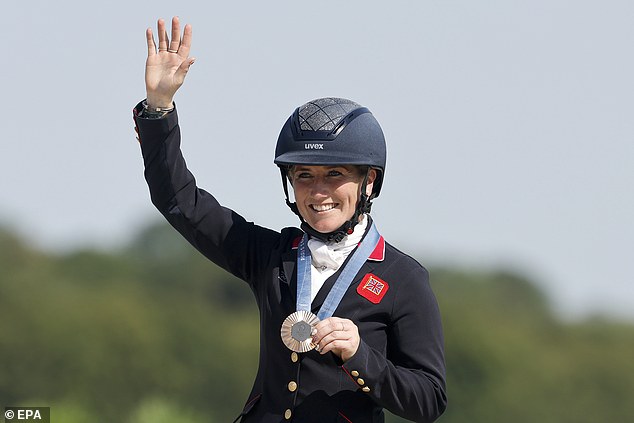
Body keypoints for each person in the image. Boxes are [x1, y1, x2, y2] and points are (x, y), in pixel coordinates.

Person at [133, 16, 447, 423]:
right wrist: (159, 108)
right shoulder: (271, 256)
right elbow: (179, 201)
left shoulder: (403, 278)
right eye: (304, 176)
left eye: (335, 175)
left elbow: (428, 401)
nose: (318, 193)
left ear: (369, 181)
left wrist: (361, 356)